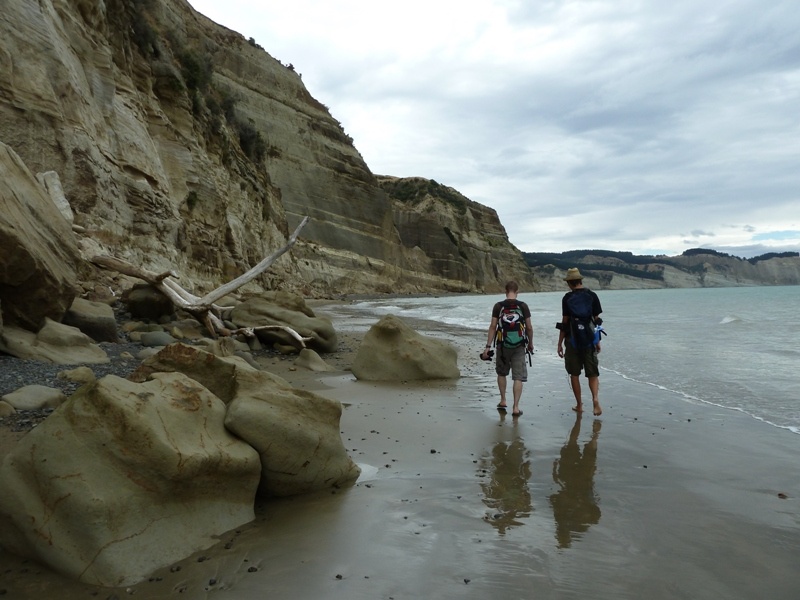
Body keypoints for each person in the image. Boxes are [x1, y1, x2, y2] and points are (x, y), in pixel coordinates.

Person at [480, 281, 534, 417]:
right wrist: (531, 343)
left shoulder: (498, 306)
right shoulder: (523, 306)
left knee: (502, 373)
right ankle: (516, 407)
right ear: (517, 292)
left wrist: (487, 346)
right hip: (520, 345)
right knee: (518, 377)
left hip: (502, 345)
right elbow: (529, 327)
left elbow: (493, 326)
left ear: (505, 291)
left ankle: (503, 400)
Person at [557, 268, 603, 416]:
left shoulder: (567, 298)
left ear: (570, 283)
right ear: (581, 280)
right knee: (593, 374)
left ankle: (579, 404)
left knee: (574, 374)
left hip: (572, 340)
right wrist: (597, 340)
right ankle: (595, 400)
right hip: (589, 339)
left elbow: (565, 323)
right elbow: (597, 321)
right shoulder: (592, 295)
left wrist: (559, 343)